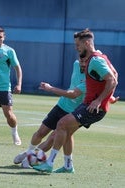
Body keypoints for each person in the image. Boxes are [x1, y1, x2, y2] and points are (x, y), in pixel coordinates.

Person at [34, 28, 118, 173]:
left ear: (86, 43)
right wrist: (107, 96)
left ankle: (49, 163)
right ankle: (67, 166)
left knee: (61, 124)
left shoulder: (96, 60)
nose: (76, 48)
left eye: (78, 45)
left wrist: (99, 100)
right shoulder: (100, 57)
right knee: (66, 130)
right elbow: (114, 74)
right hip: (88, 104)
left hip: (93, 108)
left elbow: (112, 80)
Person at [14, 57, 86, 172]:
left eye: (85, 61)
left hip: (73, 113)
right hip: (61, 105)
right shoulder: (76, 64)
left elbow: (73, 94)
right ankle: (28, 153)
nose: (82, 64)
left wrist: (50, 88)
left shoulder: (91, 78)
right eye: (81, 60)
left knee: (52, 139)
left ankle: (29, 158)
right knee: (40, 133)